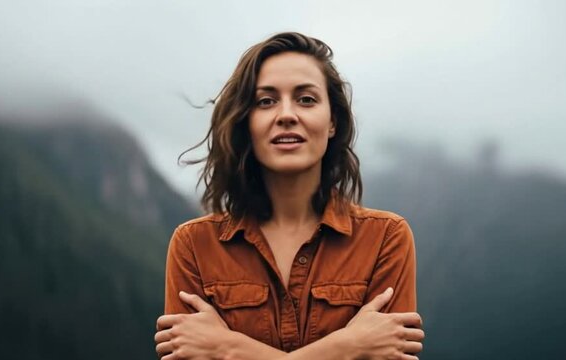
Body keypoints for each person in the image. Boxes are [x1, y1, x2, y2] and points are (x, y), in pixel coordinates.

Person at [154, 32, 424, 360]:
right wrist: (348, 346)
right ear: (246, 122)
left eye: (306, 99)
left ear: (332, 122)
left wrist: (226, 347)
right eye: (266, 101)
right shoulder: (194, 246)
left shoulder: (385, 239)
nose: (286, 114)